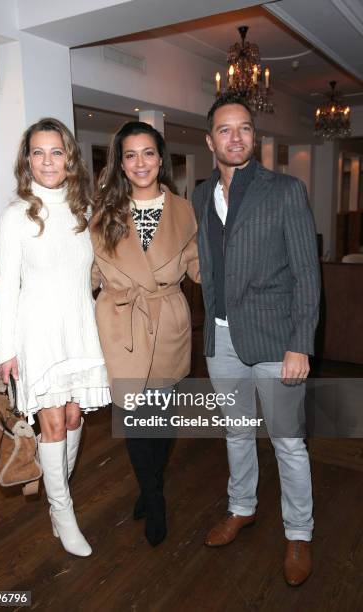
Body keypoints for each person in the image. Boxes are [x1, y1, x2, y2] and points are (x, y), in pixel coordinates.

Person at [192, 94, 320, 586]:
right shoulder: (202, 195)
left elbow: (308, 275)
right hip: (222, 341)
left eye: (244, 128)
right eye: (225, 130)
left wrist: (299, 343)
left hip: (276, 341)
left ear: (254, 136)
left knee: (288, 442)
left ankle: (299, 532)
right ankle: (242, 507)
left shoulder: (286, 190)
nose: (236, 137)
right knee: (238, 433)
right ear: (210, 141)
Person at [0, 117, 110, 557]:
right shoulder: (15, 216)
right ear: (27, 160)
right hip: (37, 332)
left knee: (75, 418)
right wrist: (5, 350)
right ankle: (63, 512)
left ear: (69, 158)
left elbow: (95, 275)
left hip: (80, 328)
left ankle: (58, 495)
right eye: (38, 152)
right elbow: (6, 288)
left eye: (56, 151)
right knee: (53, 422)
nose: (47, 161)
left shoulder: (83, 212)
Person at [90, 121, 200, 547]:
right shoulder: (104, 212)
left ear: (161, 158)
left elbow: (198, 266)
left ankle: (148, 486)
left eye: (148, 153)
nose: (140, 163)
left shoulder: (184, 210)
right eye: (130, 155)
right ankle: (154, 498)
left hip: (168, 319)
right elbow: (93, 273)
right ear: (120, 162)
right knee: (136, 422)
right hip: (123, 325)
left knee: (164, 422)